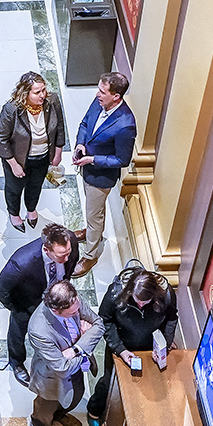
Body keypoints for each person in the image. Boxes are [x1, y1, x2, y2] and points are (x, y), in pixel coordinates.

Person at [0, 221, 80, 386]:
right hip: (28, 303)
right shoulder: (21, 264)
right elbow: (1, 288)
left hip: (55, 296)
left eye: (68, 252)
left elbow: (72, 263)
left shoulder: (71, 240)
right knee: (18, 332)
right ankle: (16, 362)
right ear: (47, 249)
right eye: (61, 255)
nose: (67, 258)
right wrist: (18, 308)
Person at [88, 264, 178, 423]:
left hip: (150, 347)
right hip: (121, 344)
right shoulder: (116, 293)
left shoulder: (167, 294)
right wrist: (120, 350)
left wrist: (165, 342)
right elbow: (105, 321)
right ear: (130, 291)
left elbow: (172, 318)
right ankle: (95, 410)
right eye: (138, 301)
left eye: (146, 301)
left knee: (148, 382)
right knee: (108, 382)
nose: (141, 305)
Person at [72, 71, 138, 275]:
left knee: (94, 214)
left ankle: (90, 255)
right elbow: (85, 123)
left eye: (102, 91)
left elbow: (121, 160)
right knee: (93, 211)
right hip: (87, 166)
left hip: (100, 177)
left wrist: (92, 159)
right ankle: (92, 232)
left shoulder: (126, 124)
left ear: (116, 96)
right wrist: (81, 144)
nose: (97, 94)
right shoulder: (99, 101)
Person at [26, 280, 103, 426]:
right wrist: (85, 334)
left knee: (74, 396)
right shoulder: (39, 330)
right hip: (51, 377)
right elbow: (62, 368)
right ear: (56, 311)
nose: (78, 312)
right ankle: (41, 424)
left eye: (78, 310)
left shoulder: (71, 299)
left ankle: (59, 415)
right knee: (46, 404)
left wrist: (76, 348)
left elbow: (99, 325)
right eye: (72, 313)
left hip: (75, 363)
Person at [0, 71, 64, 232]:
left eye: (44, 90)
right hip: (19, 160)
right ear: (25, 93)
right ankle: (14, 213)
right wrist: (13, 164)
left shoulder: (52, 101)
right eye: (37, 92)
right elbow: (2, 139)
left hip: (42, 157)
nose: (43, 95)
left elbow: (60, 127)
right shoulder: (12, 109)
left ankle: (31, 209)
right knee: (14, 188)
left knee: (36, 186)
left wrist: (58, 151)